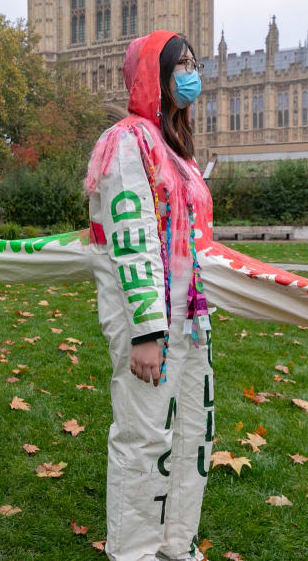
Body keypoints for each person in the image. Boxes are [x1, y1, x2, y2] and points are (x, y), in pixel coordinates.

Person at [84, 31, 212, 561]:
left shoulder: (175, 149)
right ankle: (134, 551)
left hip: (190, 316)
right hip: (151, 319)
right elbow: (133, 236)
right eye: (179, 64)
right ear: (152, 76)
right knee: (144, 437)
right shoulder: (127, 141)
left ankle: (173, 544)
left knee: (190, 436)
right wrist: (147, 331)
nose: (190, 71)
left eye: (193, 62)